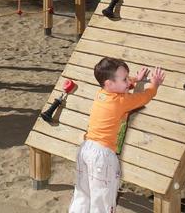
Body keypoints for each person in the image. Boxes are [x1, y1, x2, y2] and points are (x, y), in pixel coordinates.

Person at [69, 57, 165, 213]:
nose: (128, 82)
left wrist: (135, 80)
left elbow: (119, 85)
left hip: (85, 150)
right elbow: (144, 97)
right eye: (125, 79)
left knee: (82, 193)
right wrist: (154, 84)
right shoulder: (121, 101)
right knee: (103, 200)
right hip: (103, 156)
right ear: (109, 84)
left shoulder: (101, 93)